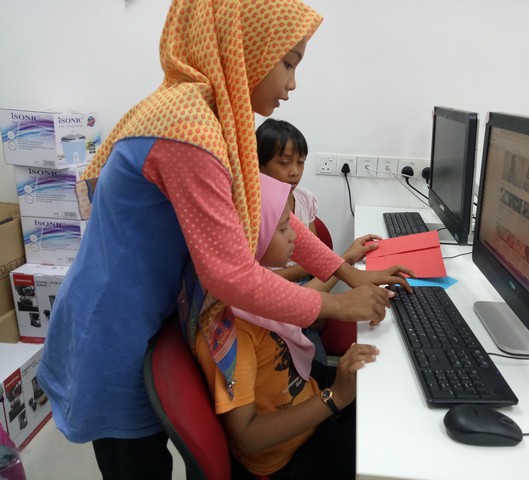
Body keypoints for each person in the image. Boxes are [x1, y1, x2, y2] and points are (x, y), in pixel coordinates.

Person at [36, 1, 412, 479]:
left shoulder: (210, 116)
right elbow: (230, 275)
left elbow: (278, 218)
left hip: (147, 316)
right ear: (244, 48)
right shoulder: (190, 131)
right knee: (138, 466)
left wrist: (351, 276)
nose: (292, 83)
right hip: (114, 330)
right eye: (288, 62)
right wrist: (339, 304)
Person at [196, 173, 377, 479]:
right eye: (283, 228)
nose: (295, 235)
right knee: (381, 447)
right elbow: (247, 437)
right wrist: (335, 398)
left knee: (380, 391)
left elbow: (305, 301)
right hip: (288, 457)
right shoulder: (231, 329)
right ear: (249, 236)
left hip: (308, 402)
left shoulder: (255, 294)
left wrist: (351, 272)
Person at [257, 118, 381, 362]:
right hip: (279, 297)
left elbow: (316, 256)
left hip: (308, 283)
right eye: (284, 163)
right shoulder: (258, 210)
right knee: (314, 360)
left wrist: (333, 265)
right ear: (259, 165)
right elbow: (264, 281)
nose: (295, 171)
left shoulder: (304, 199)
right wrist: (340, 261)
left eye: (301, 162)